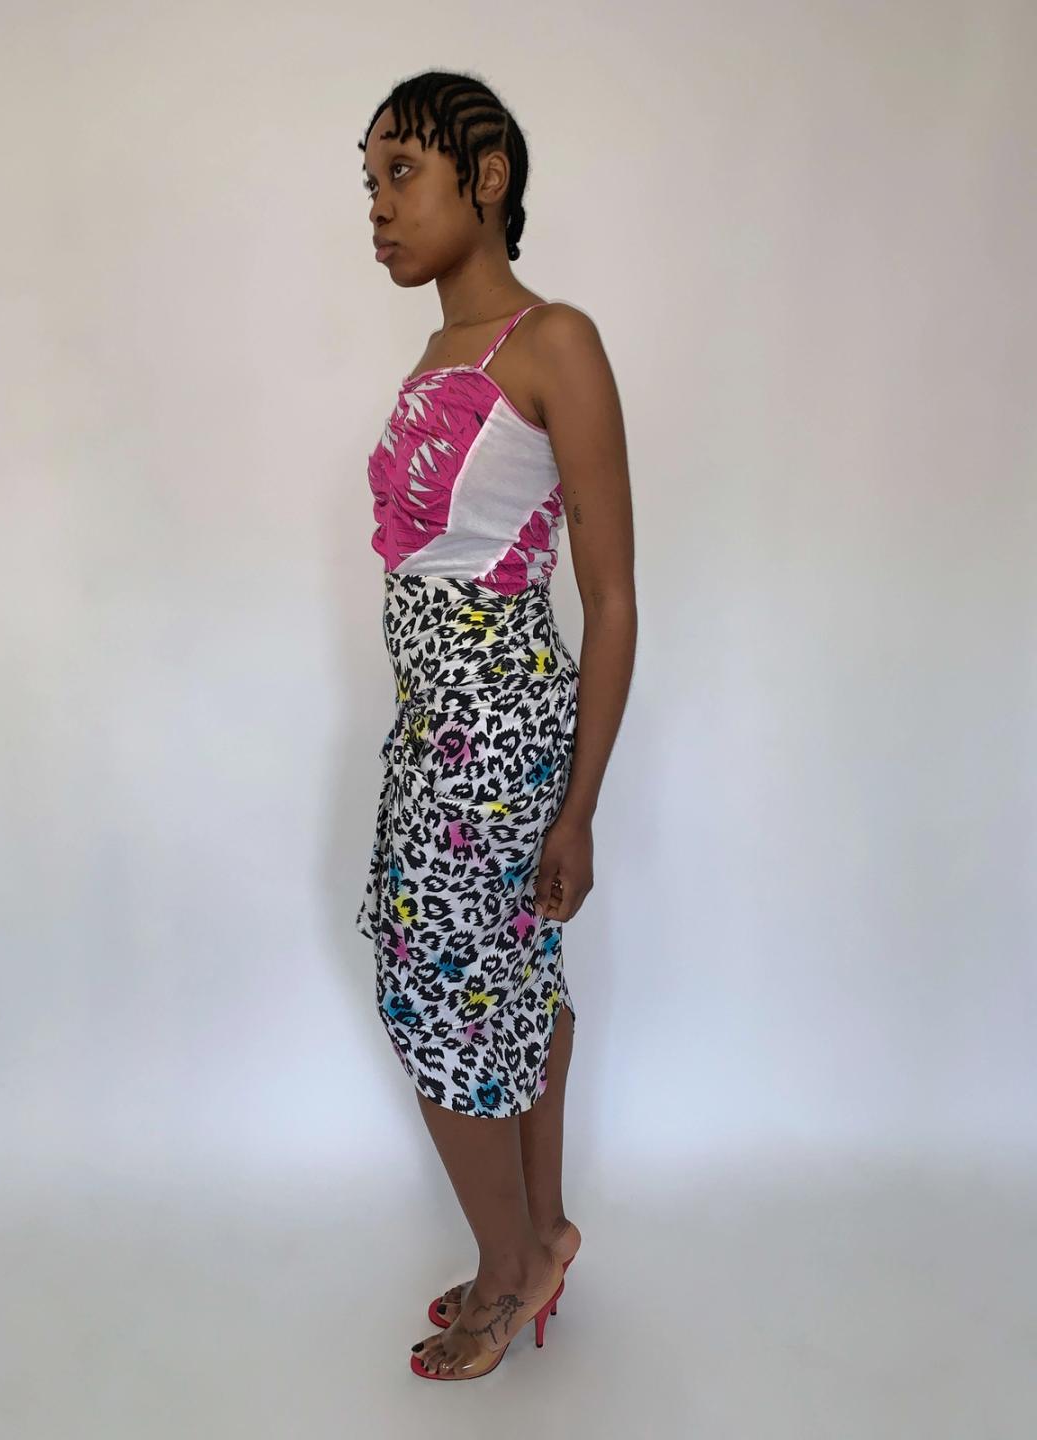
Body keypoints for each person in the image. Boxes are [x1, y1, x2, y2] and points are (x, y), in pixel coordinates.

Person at [356, 69, 637, 1380]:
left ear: (488, 179)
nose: (378, 205)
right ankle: (539, 1238)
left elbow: (612, 593)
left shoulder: (552, 340)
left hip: (497, 731)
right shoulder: (433, 357)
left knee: (436, 990)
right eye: (369, 181)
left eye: (403, 172)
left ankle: (509, 1263)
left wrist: (579, 808)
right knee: (508, 979)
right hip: (436, 726)